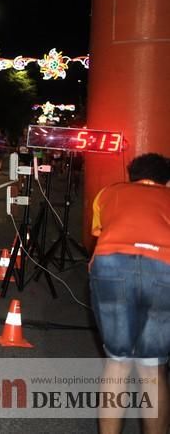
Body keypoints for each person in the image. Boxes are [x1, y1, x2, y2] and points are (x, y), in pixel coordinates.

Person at [89, 152, 170, 434]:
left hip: (112, 263)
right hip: (165, 267)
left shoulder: (108, 192)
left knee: (118, 363)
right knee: (151, 366)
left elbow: (99, 231)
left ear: (132, 177)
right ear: (167, 181)